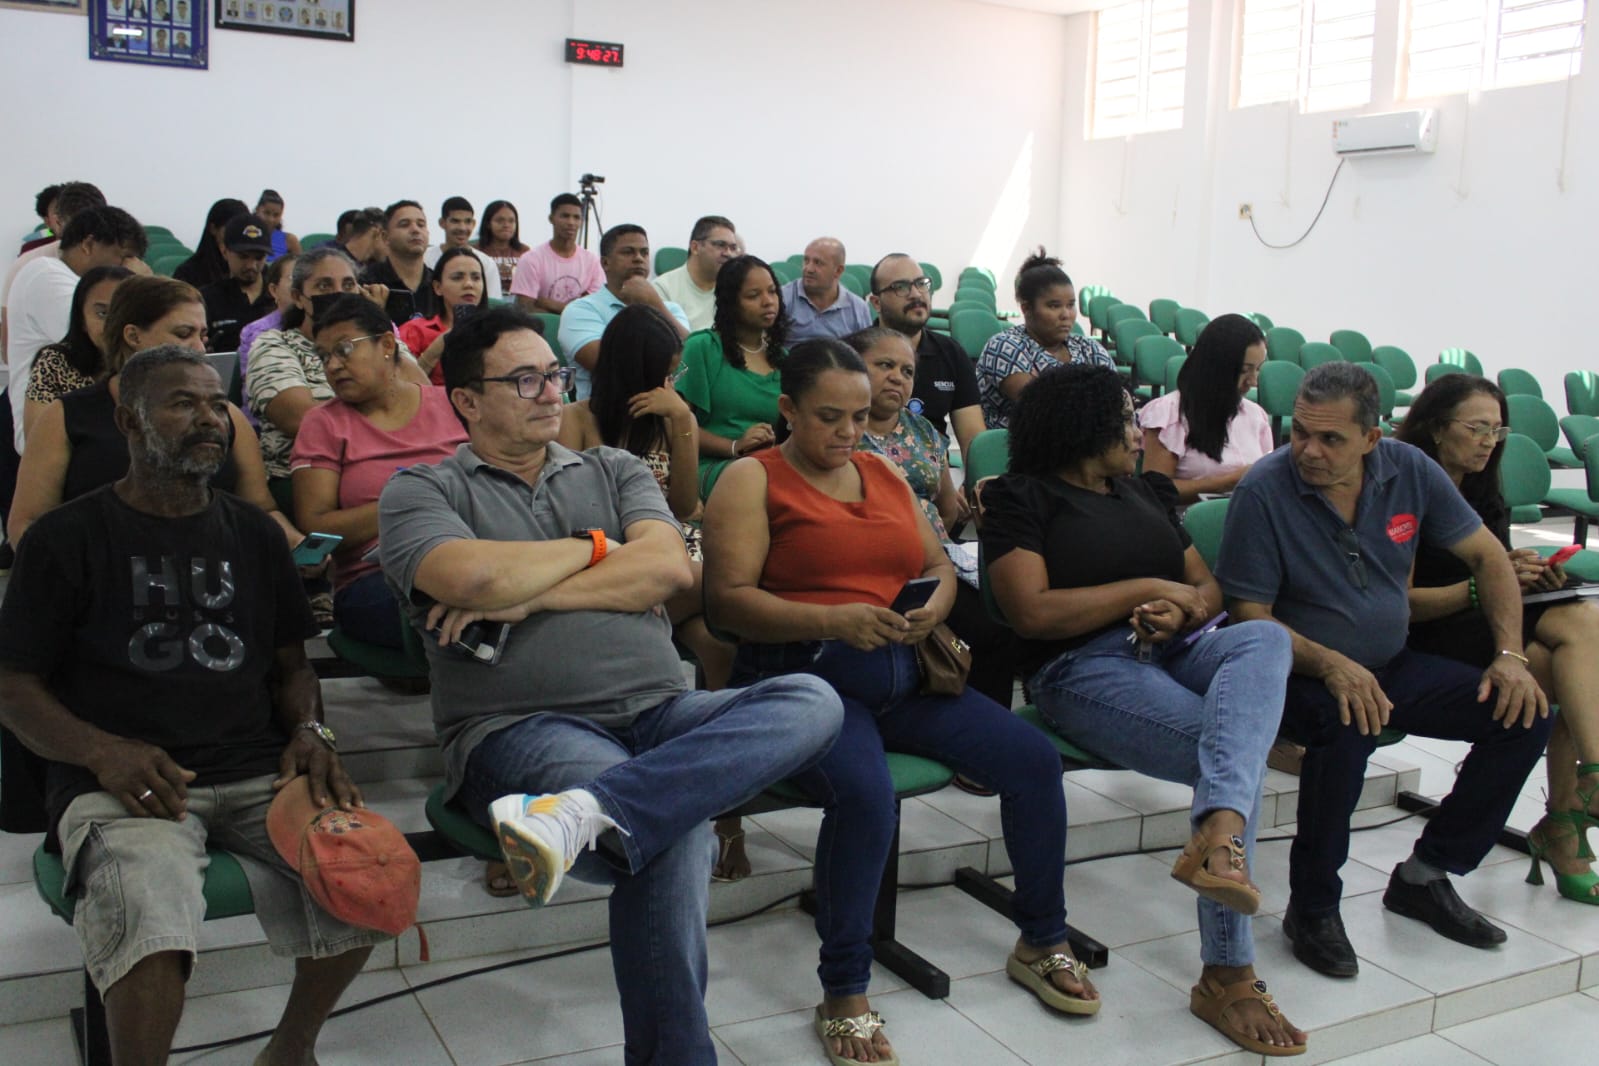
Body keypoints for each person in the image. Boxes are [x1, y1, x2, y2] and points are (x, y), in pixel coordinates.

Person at [375, 307, 844, 1065]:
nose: (548, 391)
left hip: (660, 710)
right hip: (519, 726)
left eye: (552, 375)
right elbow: (471, 578)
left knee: (813, 701)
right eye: (523, 379)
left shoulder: (614, 468)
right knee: (675, 823)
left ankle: (587, 813)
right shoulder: (420, 490)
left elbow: (667, 569)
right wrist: (597, 548)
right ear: (466, 400)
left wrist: (527, 597)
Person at [704, 339, 1089, 1066]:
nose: (848, 432)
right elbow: (726, 605)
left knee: (1033, 760)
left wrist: (934, 606)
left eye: (857, 417)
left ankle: (1042, 938)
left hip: (901, 676)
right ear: (788, 410)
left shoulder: (881, 472)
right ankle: (844, 988)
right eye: (828, 417)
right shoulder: (752, 480)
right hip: (806, 686)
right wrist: (831, 620)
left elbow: (938, 564)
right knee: (866, 796)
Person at [0, 345, 385, 1066]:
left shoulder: (255, 534)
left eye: (217, 405)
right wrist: (101, 751)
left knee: (371, 873)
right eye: (183, 403)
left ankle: (289, 1050)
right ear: (129, 421)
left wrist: (311, 729)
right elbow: (13, 686)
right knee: (150, 917)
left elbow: (293, 665)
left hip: (255, 768)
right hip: (123, 781)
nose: (210, 419)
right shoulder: (65, 537)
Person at [981, 362, 1306, 1056]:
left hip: (1176, 648)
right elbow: (1030, 612)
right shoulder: (1020, 498)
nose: (1138, 434)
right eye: (1125, 420)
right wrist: (1145, 589)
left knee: (1265, 639)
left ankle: (1219, 842)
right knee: (1230, 756)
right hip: (1082, 666)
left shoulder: (1144, 490)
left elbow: (1207, 589)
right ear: (1082, 429)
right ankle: (1227, 971)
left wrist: (1180, 608)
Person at [1217, 362, 1552, 978]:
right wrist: (1332, 664)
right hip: (1294, 672)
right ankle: (1313, 907)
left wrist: (1510, 656)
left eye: (1331, 439)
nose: (1309, 451)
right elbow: (1249, 616)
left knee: (1526, 717)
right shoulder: (1265, 490)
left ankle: (1426, 875)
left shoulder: (1410, 469)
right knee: (1347, 725)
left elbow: (1489, 557)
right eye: (1300, 433)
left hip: (1389, 663)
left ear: (1372, 438)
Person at [556, 304, 743, 878]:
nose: (669, 383)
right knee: (718, 591)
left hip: (672, 554)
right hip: (605, 557)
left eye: (673, 374)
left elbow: (685, 505)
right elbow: (567, 512)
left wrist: (682, 421)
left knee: (720, 645)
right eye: (663, 373)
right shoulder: (578, 419)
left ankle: (726, 816)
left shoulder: (668, 417)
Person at [1398, 375, 1599, 905]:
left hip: (1485, 619)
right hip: (1430, 628)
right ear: (1437, 429)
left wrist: (1528, 575)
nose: (1490, 441)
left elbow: (1498, 574)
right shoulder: (1403, 488)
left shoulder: (1482, 489)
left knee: (1582, 634)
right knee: (1564, 672)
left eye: (1497, 429)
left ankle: (1579, 799)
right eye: (1477, 428)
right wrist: (1483, 584)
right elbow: (1402, 604)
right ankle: (1570, 818)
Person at [8, 275, 303, 549]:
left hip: (209, 568)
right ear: (133, 336)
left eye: (202, 335)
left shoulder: (226, 416)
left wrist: (301, 548)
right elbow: (27, 523)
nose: (199, 349)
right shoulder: (65, 417)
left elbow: (260, 509)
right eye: (183, 334)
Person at [844, 325, 1014, 707]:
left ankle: (979, 721)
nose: (897, 377)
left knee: (995, 625)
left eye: (907, 371)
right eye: (884, 365)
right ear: (851, 368)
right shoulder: (841, 431)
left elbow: (947, 507)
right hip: (870, 563)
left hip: (933, 561)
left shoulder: (923, 431)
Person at [291, 295, 466, 648]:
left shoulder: (451, 403)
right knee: (468, 600)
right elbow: (316, 526)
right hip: (377, 579)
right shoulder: (323, 424)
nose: (332, 366)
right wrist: (410, 502)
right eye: (323, 356)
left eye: (343, 349)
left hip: (470, 555)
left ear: (387, 345)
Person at [246, 247, 425, 485]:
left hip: (396, 465)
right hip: (308, 475)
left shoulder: (379, 339)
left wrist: (373, 320)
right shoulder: (274, 344)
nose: (339, 294)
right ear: (298, 298)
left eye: (348, 285)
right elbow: (302, 420)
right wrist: (390, 417)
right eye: (324, 286)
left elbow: (424, 400)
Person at [7, 205, 147, 452]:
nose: (129, 265)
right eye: (124, 256)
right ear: (88, 244)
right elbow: (113, 340)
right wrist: (142, 284)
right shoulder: (46, 275)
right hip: (53, 442)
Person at [672, 255, 785, 500]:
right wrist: (734, 446)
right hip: (711, 465)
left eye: (772, 291)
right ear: (730, 303)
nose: (768, 301)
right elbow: (676, 425)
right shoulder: (702, 348)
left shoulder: (782, 358)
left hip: (767, 465)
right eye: (753, 295)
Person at [1139, 313, 1274, 504]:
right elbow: (1155, 492)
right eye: (1244, 370)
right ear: (1217, 367)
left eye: (1258, 369)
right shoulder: (1169, 413)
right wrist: (1227, 482)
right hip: (1187, 518)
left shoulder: (1256, 415)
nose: (1253, 381)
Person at [976, 249, 1114, 429]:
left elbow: (1119, 400)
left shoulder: (1089, 348)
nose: (1066, 314)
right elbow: (1045, 406)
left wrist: (1052, 389)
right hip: (1016, 444)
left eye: (1070, 305)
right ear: (1026, 308)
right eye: (1054, 306)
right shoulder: (1004, 346)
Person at [869, 253, 984, 461]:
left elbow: (973, 440)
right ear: (876, 303)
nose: (916, 294)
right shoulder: (854, 354)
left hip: (935, 473)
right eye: (901, 287)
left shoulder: (951, 353)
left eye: (921, 284)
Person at [557, 224, 688, 402]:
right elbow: (610, 366)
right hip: (603, 412)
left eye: (644, 253)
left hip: (665, 409)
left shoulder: (670, 309)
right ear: (605, 263)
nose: (638, 259)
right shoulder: (581, 310)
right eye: (628, 252)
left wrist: (654, 303)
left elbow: (691, 356)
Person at [3, 182, 107, 368]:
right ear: (56, 222)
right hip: (44, 379)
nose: (86, 239)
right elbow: (8, 347)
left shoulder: (111, 262)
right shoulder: (32, 266)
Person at [22, 265, 133, 437]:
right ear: (82, 319)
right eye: (102, 314)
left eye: (124, 313)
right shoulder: (56, 363)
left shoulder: (156, 366)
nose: (113, 325)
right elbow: (37, 443)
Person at [396, 246, 486, 385]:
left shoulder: (497, 331)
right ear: (438, 287)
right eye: (457, 278)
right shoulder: (414, 331)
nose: (469, 284)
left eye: (476, 278)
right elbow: (400, 385)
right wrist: (438, 347)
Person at [510, 193, 603, 316]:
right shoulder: (531, 259)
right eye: (565, 216)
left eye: (576, 217)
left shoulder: (592, 262)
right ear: (551, 218)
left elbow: (591, 308)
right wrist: (569, 312)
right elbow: (526, 308)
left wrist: (546, 303)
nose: (571, 222)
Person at [199, 213, 275, 354]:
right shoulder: (206, 299)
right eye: (243, 257)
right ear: (224, 251)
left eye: (259, 258)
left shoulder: (280, 297)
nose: (251, 265)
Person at [651, 215, 739, 331]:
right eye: (720, 245)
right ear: (695, 247)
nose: (728, 253)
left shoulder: (734, 290)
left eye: (733, 248)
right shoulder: (662, 288)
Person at [237, 252, 297, 416]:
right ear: (274, 290)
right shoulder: (258, 332)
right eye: (294, 278)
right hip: (265, 422)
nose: (301, 284)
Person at [780, 237, 871, 345]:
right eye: (806, 261)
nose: (808, 269)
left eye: (818, 263)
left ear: (838, 271)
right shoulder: (783, 298)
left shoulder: (858, 308)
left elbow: (866, 350)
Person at [361, 200, 434, 325]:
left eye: (421, 225)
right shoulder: (367, 283)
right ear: (385, 236)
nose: (415, 230)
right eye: (404, 225)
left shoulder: (440, 284)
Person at [422, 196, 503, 302]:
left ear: (473, 224)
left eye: (467, 222)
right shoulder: (425, 258)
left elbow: (492, 302)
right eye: (455, 221)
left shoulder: (487, 263)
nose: (462, 228)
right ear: (442, 223)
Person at [173, 198, 249, 289]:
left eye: (243, 230)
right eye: (232, 229)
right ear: (213, 229)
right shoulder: (188, 273)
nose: (238, 235)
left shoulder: (253, 270)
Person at [474, 199, 530, 299]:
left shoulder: (524, 251)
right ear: (488, 224)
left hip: (517, 304)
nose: (506, 225)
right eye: (500, 220)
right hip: (487, 301)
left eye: (511, 221)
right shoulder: (476, 251)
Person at [253, 189, 303, 262]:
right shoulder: (246, 234)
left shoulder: (289, 240)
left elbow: (300, 265)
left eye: (276, 215)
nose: (271, 219)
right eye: (267, 213)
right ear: (257, 210)